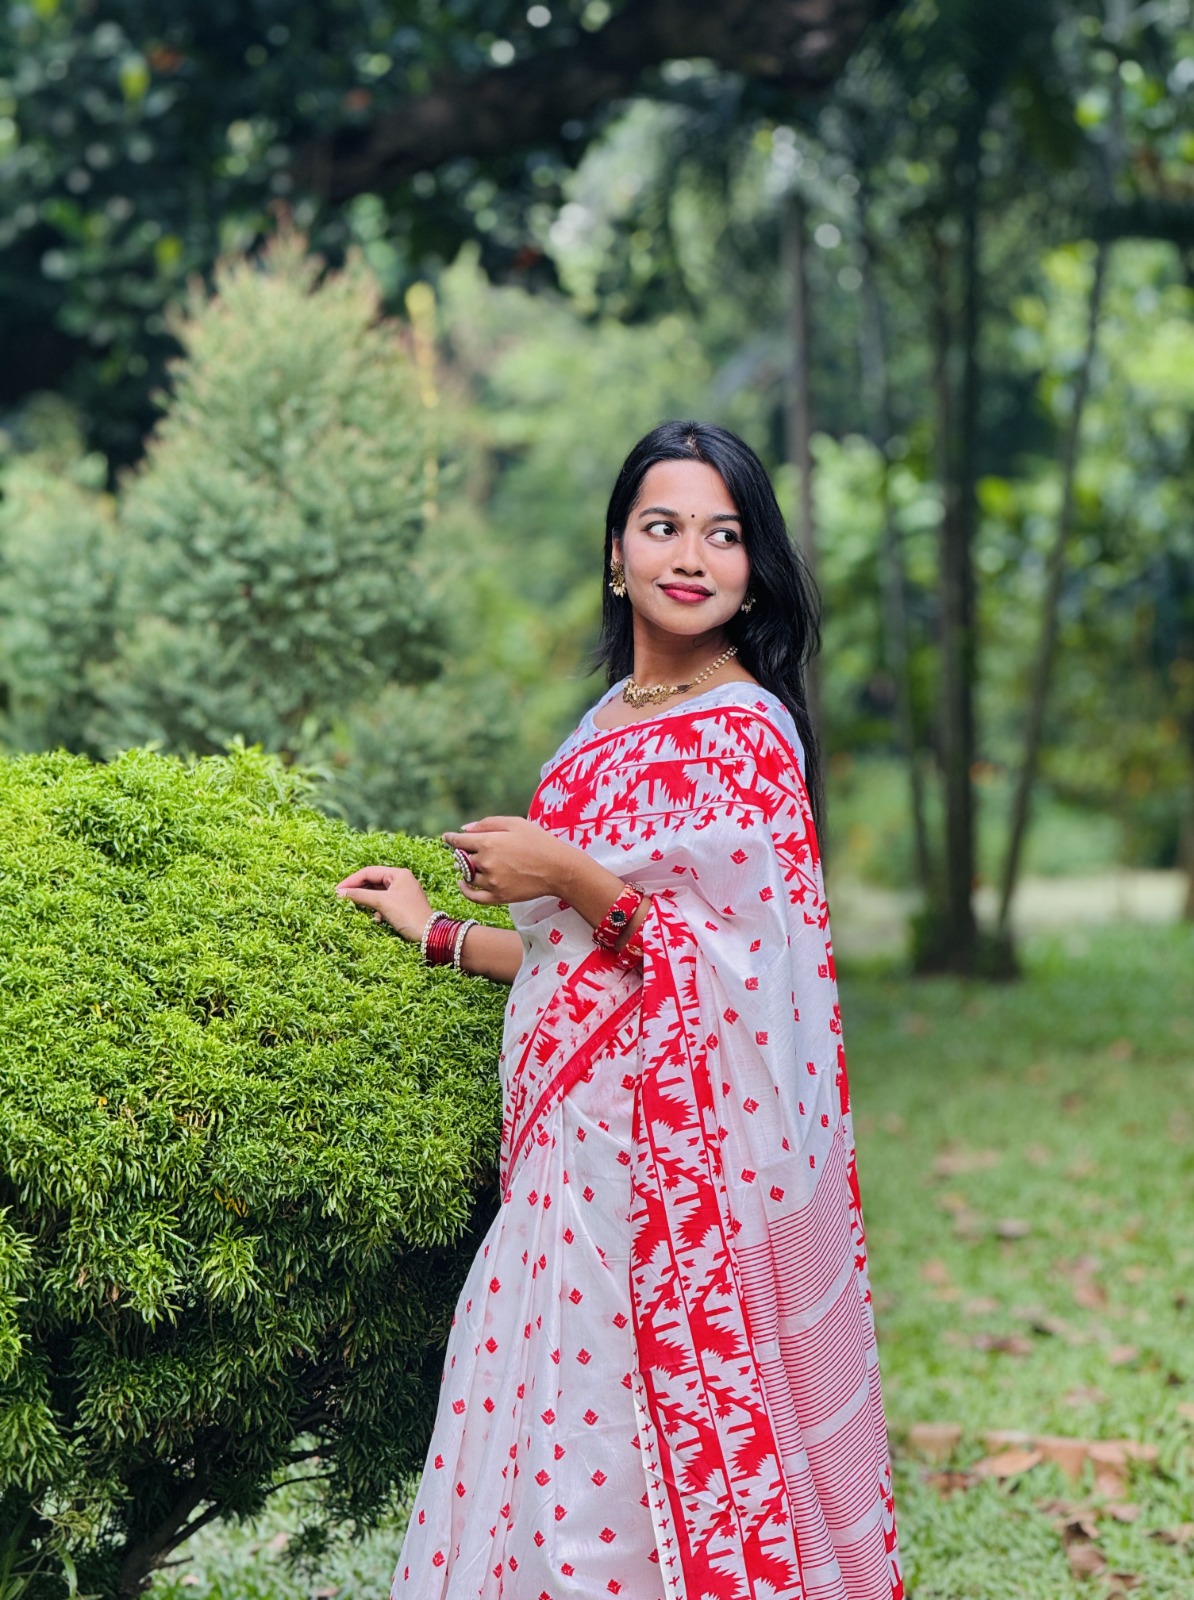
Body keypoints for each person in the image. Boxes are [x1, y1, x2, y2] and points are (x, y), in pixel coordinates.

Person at [337, 421, 903, 1600]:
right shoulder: (596, 729)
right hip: (562, 1160)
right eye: (663, 526)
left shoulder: (749, 735)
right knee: (545, 1442)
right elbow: (578, 963)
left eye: (723, 534)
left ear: (755, 568)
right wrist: (437, 929)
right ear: (615, 553)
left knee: (629, 1465)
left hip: (674, 1178)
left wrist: (564, 869)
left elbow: (740, 976)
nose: (691, 556)